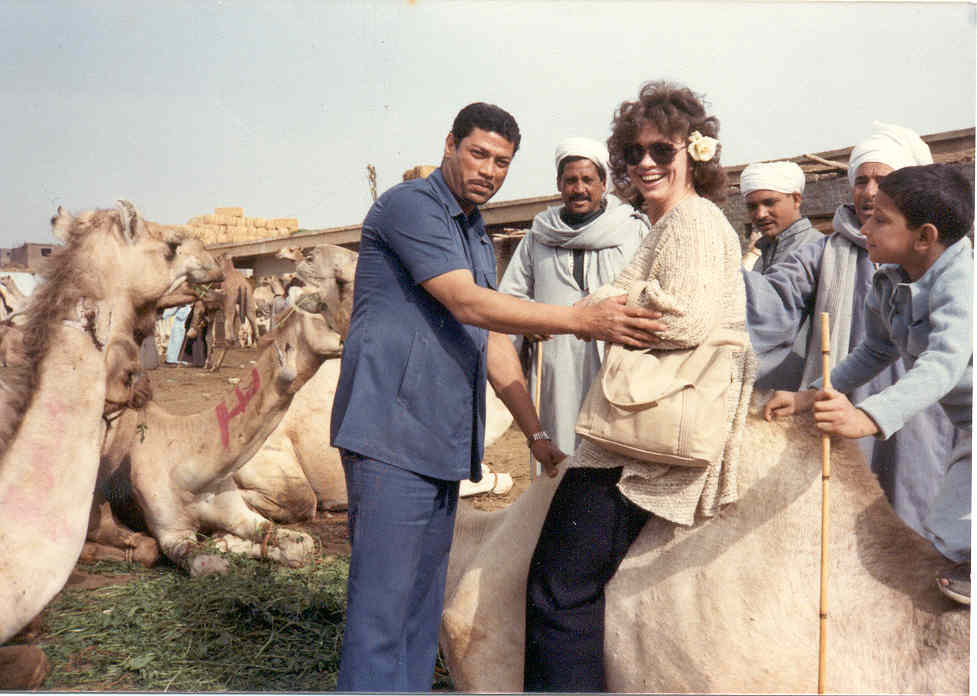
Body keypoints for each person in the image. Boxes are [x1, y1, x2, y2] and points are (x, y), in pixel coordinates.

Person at [329, 102, 664, 693]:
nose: (488, 170)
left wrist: (536, 433)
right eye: (478, 154)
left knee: (419, 611)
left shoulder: (471, 231)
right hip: (389, 435)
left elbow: (491, 340)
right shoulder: (411, 207)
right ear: (450, 144)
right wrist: (579, 321)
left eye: (502, 163)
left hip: (438, 442)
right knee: (382, 611)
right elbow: (468, 303)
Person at [523, 81, 756, 692]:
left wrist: (615, 301)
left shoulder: (693, 223)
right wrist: (612, 300)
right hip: (641, 425)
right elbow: (606, 299)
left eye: (662, 150)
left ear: (694, 153)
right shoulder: (665, 225)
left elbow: (684, 320)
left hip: (642, 439)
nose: (646, 163)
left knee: (559, 587)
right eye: (634, 153)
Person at [763, 163, 972, 604]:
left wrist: (868, 416)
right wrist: (810, 394)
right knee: (950, 537)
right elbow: (875, 351)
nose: (867, 225)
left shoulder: (962, 284)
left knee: (959, 537)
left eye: (881, 219)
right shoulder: (891, 279)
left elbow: (942, 364)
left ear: (924, 237)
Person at [742, 121, 955, 540]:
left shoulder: (948, 261)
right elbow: (768, 302)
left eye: (884, 179)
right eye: (862, 180)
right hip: (845, 408)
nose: (870, 191)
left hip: (925, 419)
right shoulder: (823, 253)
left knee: (922, 530)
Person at [497, 137, 648, 454]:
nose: (579, 189)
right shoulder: (538, 236)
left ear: (603, 183)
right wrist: (528, 321)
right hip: (557, 365)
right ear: (559, 184)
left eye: (587, 180)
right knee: (559, 453)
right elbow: (509, 299)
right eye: (570, 181)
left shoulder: (632, 229)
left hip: (618, 361)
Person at [740, 160, 824, 389]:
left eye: (769, 203)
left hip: (798, 386)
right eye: (752, 206)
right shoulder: (764, 251)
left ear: (797, 199)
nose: (760, 214)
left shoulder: (815, 248)